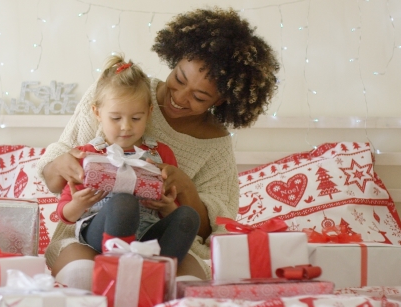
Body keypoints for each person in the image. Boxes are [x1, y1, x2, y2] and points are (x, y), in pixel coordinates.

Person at [37, 7, 279, 288]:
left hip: (162, 240)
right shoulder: (120, 90)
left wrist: (184, 189)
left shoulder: (216, 145)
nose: (178, 97)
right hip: (91, 234)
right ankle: (123, 269)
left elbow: (211, 229)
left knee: (185, 286)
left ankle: (146, 273)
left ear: (222, 100)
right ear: (174, 58)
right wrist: (62, 164)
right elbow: (56, 182)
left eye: (199, 96)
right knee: (81, 276)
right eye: (178, 78)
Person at [56, 54, 200, 266]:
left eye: (136, 118)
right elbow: (64, 215)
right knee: (124, 203)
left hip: (149, 235)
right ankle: (119, 270)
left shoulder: (161, 154)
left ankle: (158, 271)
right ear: (97, 113)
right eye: (116, 118)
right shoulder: (86, 154)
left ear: (149, 113)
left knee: (189, 216)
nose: (126, 126)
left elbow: (172, 205)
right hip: (101, 232)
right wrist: (78, 204)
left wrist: (168, 207)